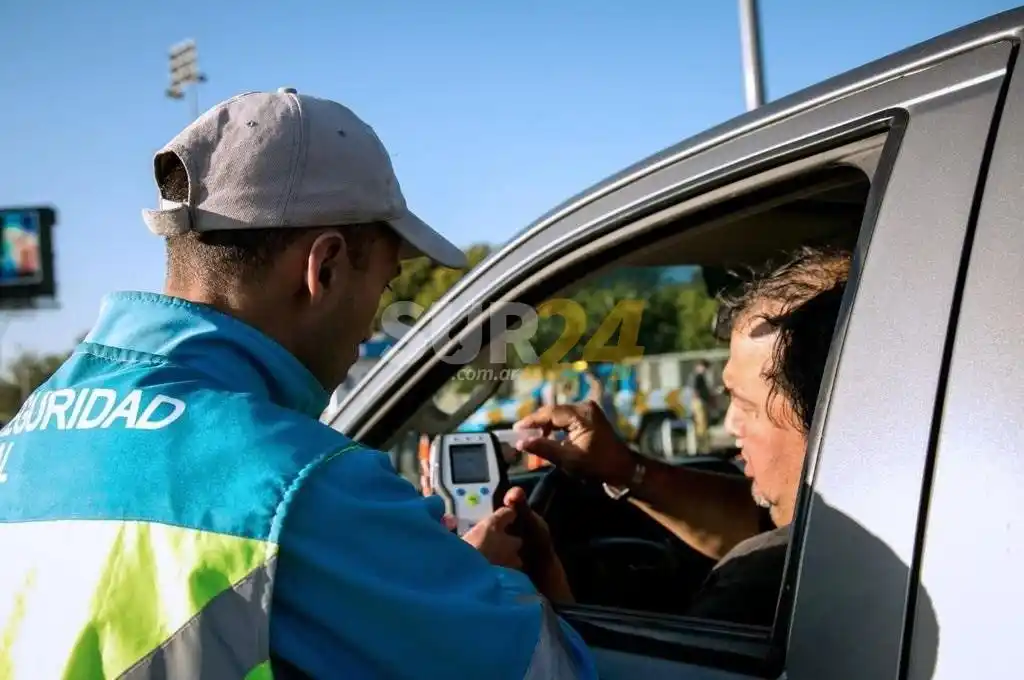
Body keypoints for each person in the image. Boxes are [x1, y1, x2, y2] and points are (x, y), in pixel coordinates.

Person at [0, 88, 595, 680]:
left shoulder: (23, 435)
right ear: (325, 267)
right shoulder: (309, 481)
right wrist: (477, 589)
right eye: (384, 287)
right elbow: (552, 671)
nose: (373, 319)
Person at [514, 246, 851, 627]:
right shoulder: (860, 532)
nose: (729, 425)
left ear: (825, 412)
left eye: (746, 405)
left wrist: (540, 586)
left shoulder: (763, 585)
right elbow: (757, 521)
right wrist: (624, 469)